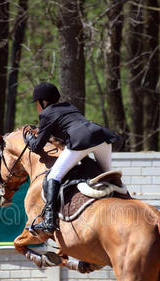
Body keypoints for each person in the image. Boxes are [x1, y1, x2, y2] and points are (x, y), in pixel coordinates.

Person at [26, 82, 121, 236]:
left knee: (53, 176)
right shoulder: (69, 107)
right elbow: (66, 129)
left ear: (44, 102)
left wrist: (30, 139)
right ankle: (126, 198)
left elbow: (37, 147)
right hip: (101, 137)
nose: (37, 107)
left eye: (37, 103)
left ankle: (49, 220)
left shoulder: (45, 114)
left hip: (81, 140)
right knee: (107, 177)